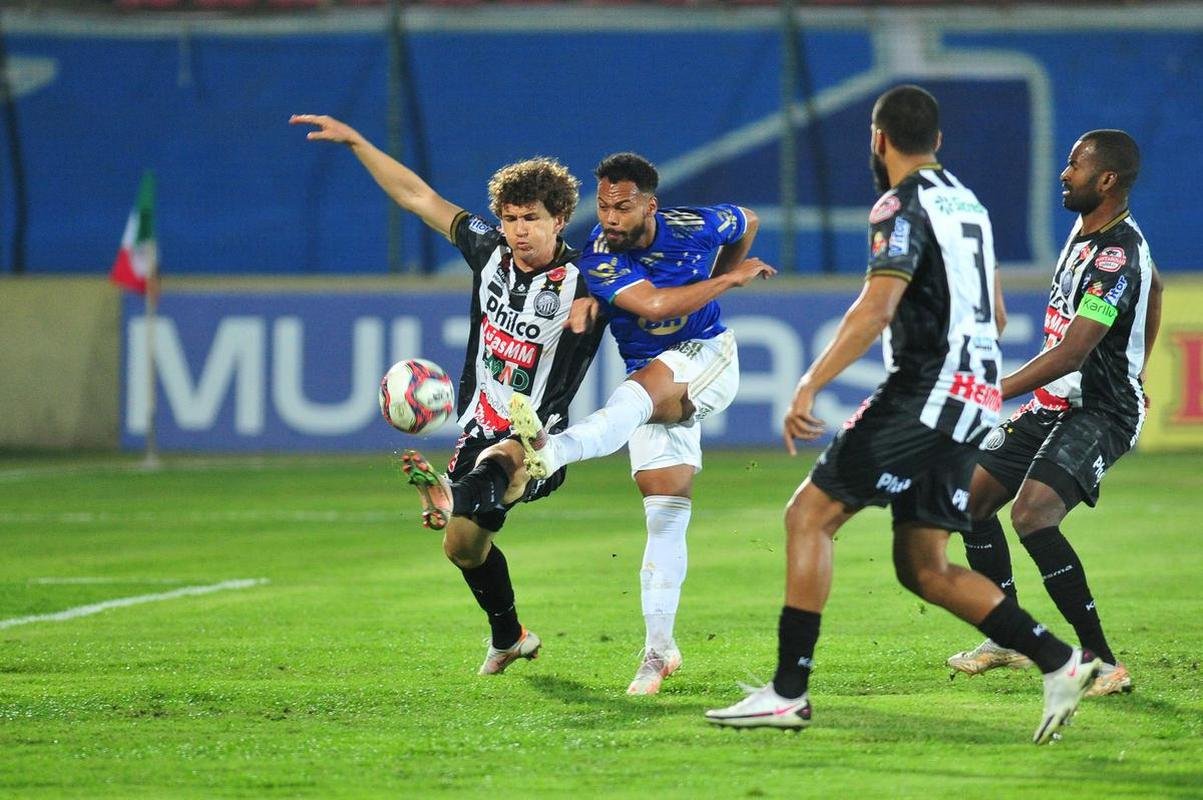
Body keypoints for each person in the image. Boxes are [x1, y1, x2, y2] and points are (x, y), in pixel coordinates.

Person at [703, 85, 1098, 745]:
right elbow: (996, 316)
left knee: (808, 515)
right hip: (975, 400)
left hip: (925, 394)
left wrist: (808, 382)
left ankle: (787, 693)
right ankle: (1060, 660)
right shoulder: (968, 205)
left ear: (877, 138)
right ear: (936, 140)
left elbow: (875, 306)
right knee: (922, 566)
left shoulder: (899, 204)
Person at [291, 114, 605, 676]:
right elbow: (417, 196)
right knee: (462, 548)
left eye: (531, 219)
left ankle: (450, 492)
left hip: (538, 434)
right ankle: (509, 636)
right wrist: (360, 142)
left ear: (560, 219)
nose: (518, 230)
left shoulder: (591, 278)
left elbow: (653, 283)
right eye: (509, 219)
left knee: (503, 462)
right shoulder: (489, 254)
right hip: (481, 422)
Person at [508, 151, 776, 694]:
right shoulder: (601, 259)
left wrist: (726, 269)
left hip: (707, 355)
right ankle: (659, 650)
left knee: (631, 400)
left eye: (623, 207)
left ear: (650, 204)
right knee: (665, 516)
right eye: (603, 206)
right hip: (654, 376)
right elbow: (653, 307)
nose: (610, 218)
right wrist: (732, 281)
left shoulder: (695, 224)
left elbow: (748, 219)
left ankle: (552, 452)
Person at [946, 129, 1163, 698]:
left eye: (1074, 165)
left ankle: (1105, 663)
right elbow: (1157, 289)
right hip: (1055, 403)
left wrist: (995, 391)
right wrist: (1141, 357)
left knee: (1033, 516)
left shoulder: (1118, 255)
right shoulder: (1086, 230)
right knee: (971, 502)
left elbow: (1074, 351)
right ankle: (1006, 637)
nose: (1064, 174)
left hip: (1101, 409)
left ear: (1106, 180)